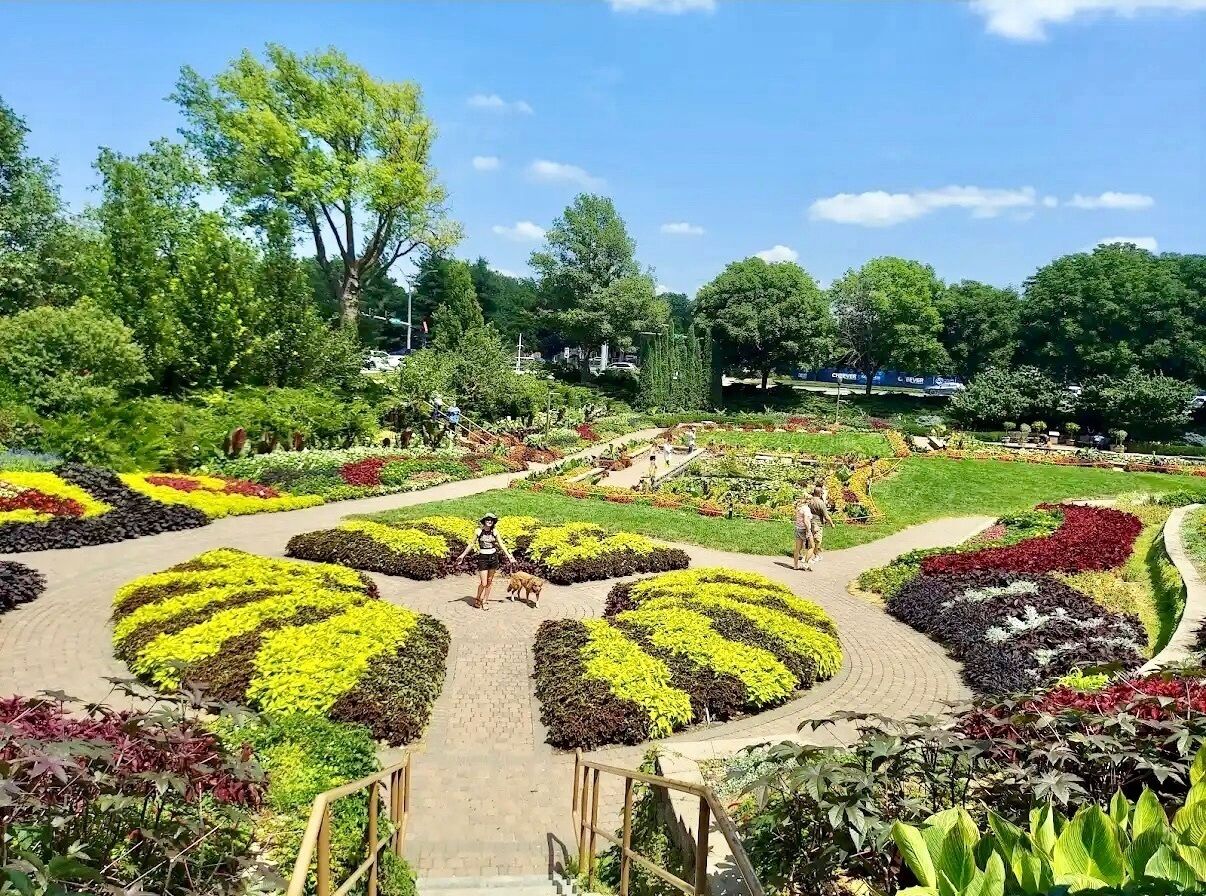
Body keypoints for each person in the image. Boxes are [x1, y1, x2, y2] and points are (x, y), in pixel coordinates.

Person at [456, 513, 514, 610]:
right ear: (484, 521)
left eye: (491, 520)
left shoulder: (494, 531)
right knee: (483, 583)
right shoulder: (478, 531)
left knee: (489, 581)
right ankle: (478, 598)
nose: (489, 521)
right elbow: (471, 544)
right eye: (487, 519)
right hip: (483, 558)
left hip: (493, 557)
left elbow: (501, 544)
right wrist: (462, 555)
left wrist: (509, 556)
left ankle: (485, 601)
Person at [807, 485, 833, 563]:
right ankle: (816, 556)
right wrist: (832, 524)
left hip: (809, 522)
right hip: (818, 524)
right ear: (820, 493)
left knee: (809, 539)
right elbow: (826, 516)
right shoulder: (821, 503)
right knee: (817, 541)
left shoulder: (809, 501)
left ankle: (807, 555)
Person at [792, 497, 814, 571]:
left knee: (798, 548)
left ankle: (795, 565)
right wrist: (808, 530)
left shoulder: (799, 508)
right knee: (812, 546)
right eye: (811, 500)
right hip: (804, 529)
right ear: (808, 500)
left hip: (798, 528)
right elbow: (806, 520)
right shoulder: (806, 509)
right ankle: (806, 563)